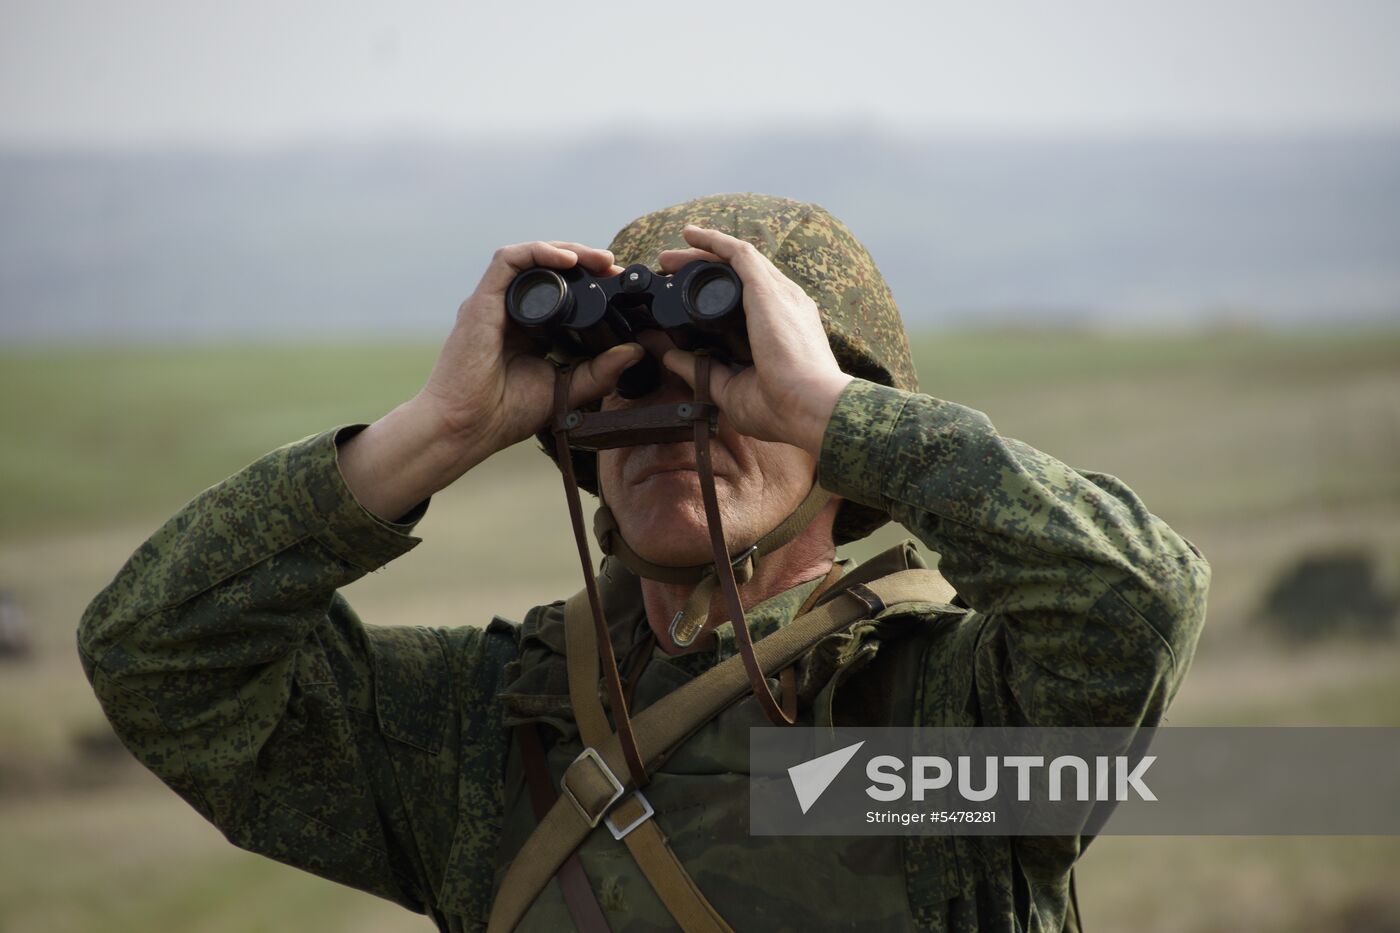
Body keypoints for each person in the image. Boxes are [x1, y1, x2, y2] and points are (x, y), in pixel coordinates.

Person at [78, 193, 1210, 932]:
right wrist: (431, 432)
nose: (676, 421)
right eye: (629, 383)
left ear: (841, 447)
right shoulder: (487, 731)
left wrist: (825, 403)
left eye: (728, 373)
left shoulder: (956, 714)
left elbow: (1134, 599)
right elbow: (155, 655)